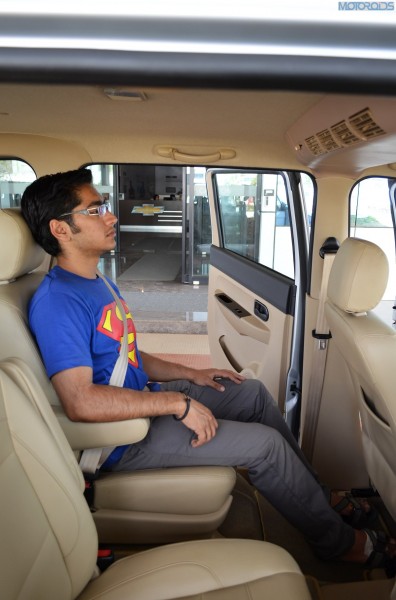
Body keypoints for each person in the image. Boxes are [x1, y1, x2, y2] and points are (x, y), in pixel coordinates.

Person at [21, 168, 395, 570]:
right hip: (119, 439)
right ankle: (339, 544)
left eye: (105, 206)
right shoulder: (58, 301)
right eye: (95, 210)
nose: (110, 217)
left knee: (251, 393)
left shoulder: (95, 282)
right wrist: (178, 405)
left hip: (141, 404)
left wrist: (192, 374)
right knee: (264, 447)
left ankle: (320, 498)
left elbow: (126, 357)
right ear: (61, 228)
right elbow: (80, 402)